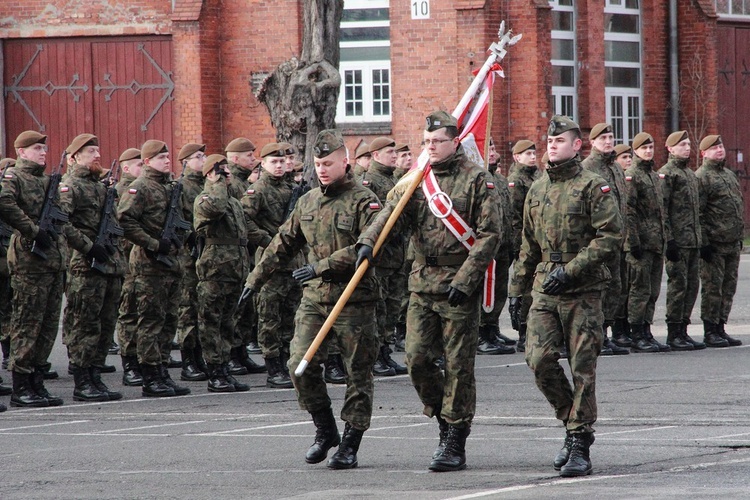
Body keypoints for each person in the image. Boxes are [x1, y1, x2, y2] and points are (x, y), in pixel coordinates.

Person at [357, 111, 501, 472]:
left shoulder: (477, 181)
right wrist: (367, 242)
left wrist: (466, 280)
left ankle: (455, 436)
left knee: (457, 366)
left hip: (457, 286)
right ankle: (443, 417)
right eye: (425, 142)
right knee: (418, 360)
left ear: (455, 141)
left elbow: (489, 236)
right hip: (422, 284)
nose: (430, 148)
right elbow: (391, 214)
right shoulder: (419, 180)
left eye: (436, 141)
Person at [243, 129, 382, 470]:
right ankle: (325, 429)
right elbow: (281, 243)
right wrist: (254, 280)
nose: (322, 169)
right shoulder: (306, 201)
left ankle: (350, 442)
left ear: (345, 163)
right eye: (318, 163)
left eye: (329, 163)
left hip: (353, 299)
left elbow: (367, 247)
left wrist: (320, 266)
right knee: (298, 365)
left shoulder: (366, 200)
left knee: (357, 374)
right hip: (315, 299)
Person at [509, 116, 622, 477]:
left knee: (582, 368)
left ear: (577, 145)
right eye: (550, 140)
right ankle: (571, 421)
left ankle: (579, 441)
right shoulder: (538, 188)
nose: (552, 145)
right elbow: (528, 245)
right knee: (539, 360)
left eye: (560, 140)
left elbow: (610, 237)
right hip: (545, 287)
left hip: (583, 289)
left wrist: (571, 271)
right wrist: (517, 293)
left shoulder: (593, 185)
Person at [116, 140, 191, 397]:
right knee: (151, 322)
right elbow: (124, 220)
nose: (167, 161)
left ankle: (162, 371)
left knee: (169, 320)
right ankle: (149, 376)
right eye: (160, 158)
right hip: (149, 266)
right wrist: (153, 243)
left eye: (168, 156)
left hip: (171, 265)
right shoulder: (140, 187)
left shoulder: (169, 187)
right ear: (147, 162)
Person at [0, 131, 67, 407]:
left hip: (52, 262)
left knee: (48, 326)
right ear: (21, 151)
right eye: (36, 148)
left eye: (43, 148)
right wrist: (31, 229)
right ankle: (21, 386)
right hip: (29, 263)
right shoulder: (14, 177)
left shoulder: (46, 180)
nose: (42, 152)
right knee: (27, 324)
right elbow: (3, 202)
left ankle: (37, 381)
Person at [58, 133, 126, 402]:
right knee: (85, 323)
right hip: (85, 265)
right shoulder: (70, 185)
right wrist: (87, 246)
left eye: (97, 150)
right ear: (74, 158)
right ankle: (82, 380)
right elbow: (62, 221)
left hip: (109, 264)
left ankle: (95, 375)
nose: (97, 155)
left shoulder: (100, 187)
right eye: (90, 152)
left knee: (106, 323)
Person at [241, 143, 304, 389]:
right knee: (269, 316)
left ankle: (287, 361)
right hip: (270, 263)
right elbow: (244, 220)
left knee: (290, 316)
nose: (279, 166)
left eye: (282, 162)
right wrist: (268, 241)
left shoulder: (292, 188)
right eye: (273, 162)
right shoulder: (258, 190)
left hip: (293, 261)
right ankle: (273, 366)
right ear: (263, 163)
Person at [193, 154, 251, 392]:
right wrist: (215, 183)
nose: (228, 174)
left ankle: (225, 367)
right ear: (210, 175)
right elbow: (215, 209)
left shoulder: (233, 202)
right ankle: (215, 371)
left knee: (228, 322)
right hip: (215, 270)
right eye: (222, 170)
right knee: (211, 322)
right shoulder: (206, 198)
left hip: (235, 269)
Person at [581, 123, 630, 356]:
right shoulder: (587, 168)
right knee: (598, 288)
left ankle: (606, 331)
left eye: (610, 137)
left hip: (618, 241)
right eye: (603, 138)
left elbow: (623, 205)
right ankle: (595, 335)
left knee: (615, 288)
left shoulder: (616, 169)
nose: (608, 142)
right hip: (599, 240)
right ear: (592, 142)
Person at [360, 137, 407, 376]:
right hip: (381, 256)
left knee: (391, 306)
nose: (394, 156)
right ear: (375, 155)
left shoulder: (393, 179)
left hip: (396, 254)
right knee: (378, 308)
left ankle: (385, 351)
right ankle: (376, 355)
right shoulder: (370, 182)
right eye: (390, 152)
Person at [658, 131, 706, 350]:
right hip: (679, 241)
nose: (687, 148)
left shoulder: (689, 174)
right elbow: (663, 210)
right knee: (678, 286)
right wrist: (669, 240)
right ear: (670, 148)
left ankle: (683, 329)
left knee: (692, 286)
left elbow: (697, 211)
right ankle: (673, 331)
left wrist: (701, 239)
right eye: (682, 144)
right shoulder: (667, 174)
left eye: (688, 144)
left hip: (693, 240)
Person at [696, 135, 744, 347]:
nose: (719, 150)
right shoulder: (702, 177)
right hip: (714, 243)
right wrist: (704, 241)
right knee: (712, 288)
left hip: (732, 242)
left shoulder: (728, 175)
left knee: (728, 287)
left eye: (721, 146)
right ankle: (710, 329)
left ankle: (721, 326)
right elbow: (698, 212)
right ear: (703, 153)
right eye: (713, 147)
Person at [624, 132, 670, 353]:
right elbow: (629, 211)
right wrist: (633, 241)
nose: (648, 151)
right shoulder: (633, 175)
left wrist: (666, 238)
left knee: (652, 290)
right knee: (639, 289)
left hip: (655, 242)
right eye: (644, 148)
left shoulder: (653, 175)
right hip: (641, 243)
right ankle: (636, 333)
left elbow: (661, 212)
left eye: (651, 147)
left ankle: (647, 329)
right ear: (635, 151)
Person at [225, 137, 265, 375]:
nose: (254, 159)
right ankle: (231, 355)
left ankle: (241, 353)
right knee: (233, 308)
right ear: (235, 158)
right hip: (231, 252)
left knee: (245, 308)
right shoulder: (232, 183)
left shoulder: (243, 182)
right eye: (249, 156)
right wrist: (263, 238)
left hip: (245, 252)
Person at [174, 143, 209, 381]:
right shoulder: (181, 187)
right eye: (198, 156)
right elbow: (178, 219)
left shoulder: (205, 185)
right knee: (187, 308)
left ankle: (199, 356)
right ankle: (188, 360)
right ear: (185, 161)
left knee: (201, 308)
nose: (203, 159)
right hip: (188, 255)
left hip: (205, 254)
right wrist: (191, 236)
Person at [478, 138, 515, 355]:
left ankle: (492, 329)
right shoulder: (480, 178)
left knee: (499, 290)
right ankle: (482, 334)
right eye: (487, 148)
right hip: (487, 246)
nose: (491, 152)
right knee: (486, 292)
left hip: (503, 245)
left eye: (492, 148)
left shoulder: (500, 180)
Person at [114, 148, 145, 386]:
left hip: (139, 258)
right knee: (129, 313)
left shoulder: (144, 189)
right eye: (139, 166)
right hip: (126, 259)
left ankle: (143, 360)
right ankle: (129, 363)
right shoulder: (121, 191)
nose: (143, 170)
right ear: (126, 168)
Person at [506, 139, 539, 352]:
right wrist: (519, 245)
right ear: (517, 157)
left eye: (534, 153)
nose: (533, 157)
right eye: (527, 154)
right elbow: (514, 217)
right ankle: (523, 333)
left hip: (538, 243)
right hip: (524, 243)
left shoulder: (537, 177)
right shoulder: (516, 181)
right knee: (524, 288)